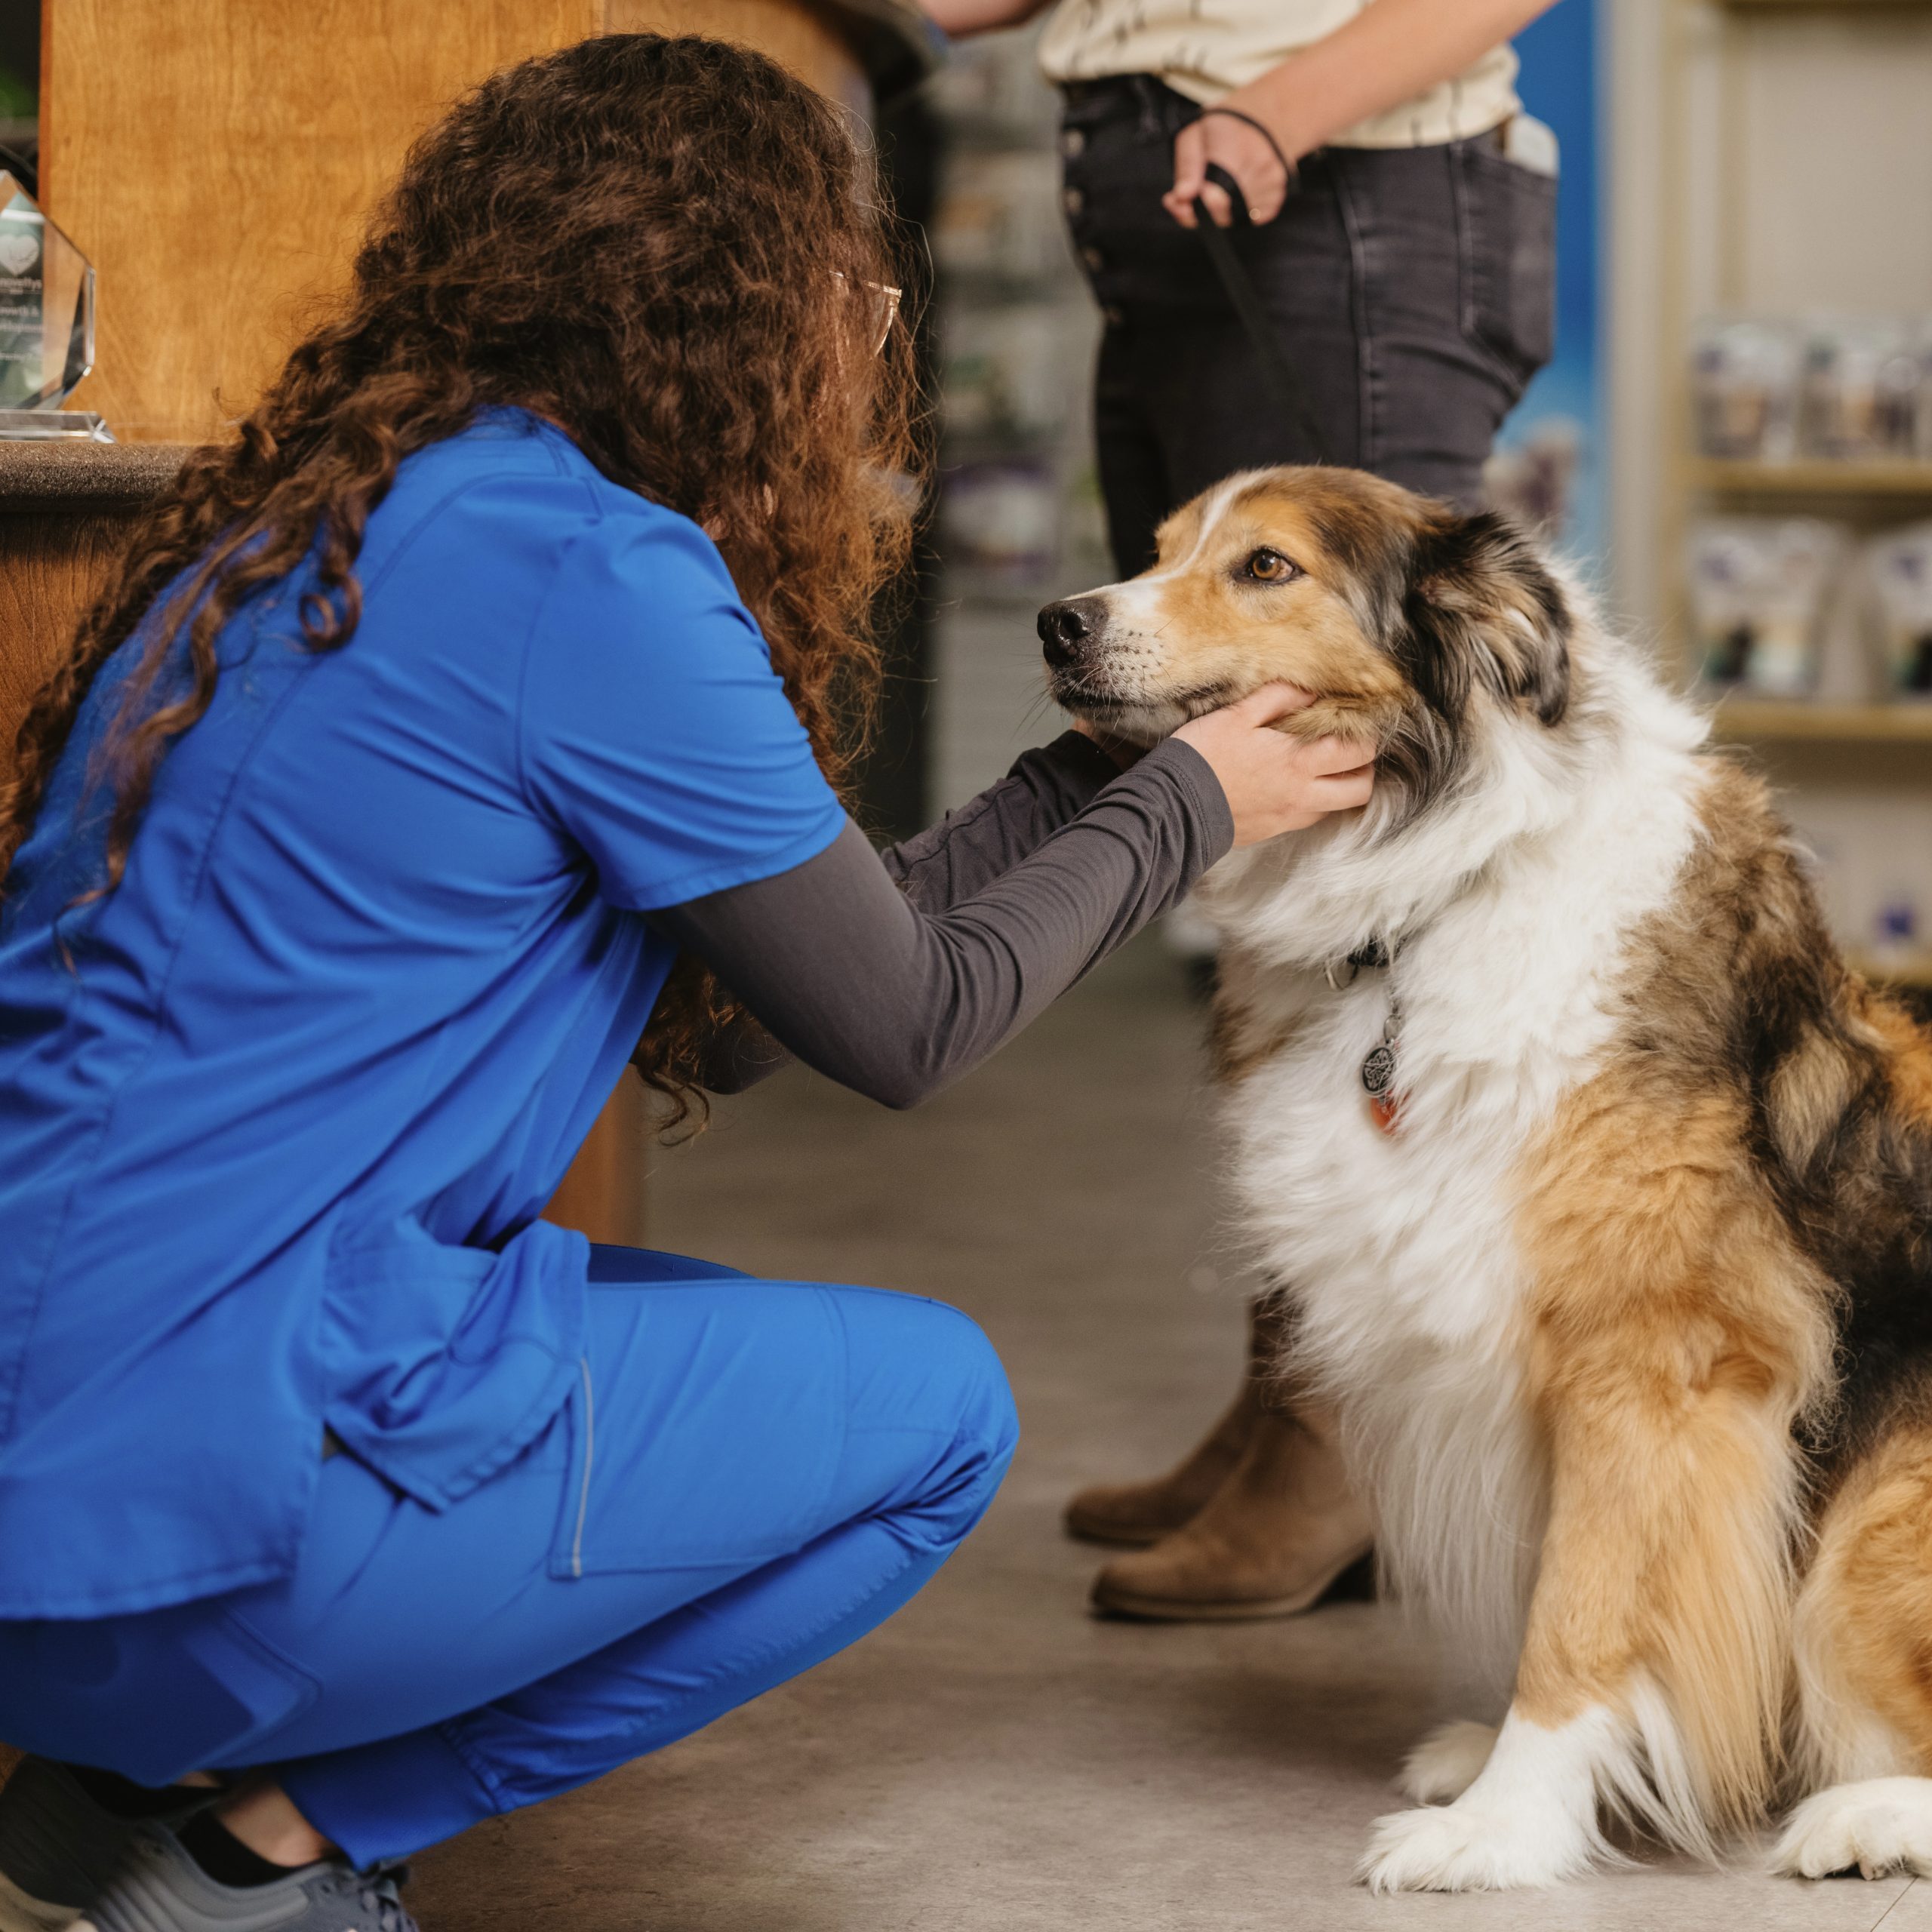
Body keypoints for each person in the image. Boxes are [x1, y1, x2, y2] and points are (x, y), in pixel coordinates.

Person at [0, 34, 1374, 1932]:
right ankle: (264, 1849)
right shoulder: (595, 574)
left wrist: (1101, 770)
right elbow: (905, 1022)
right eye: (858, 299)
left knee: (719, 1332)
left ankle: (94, 1794)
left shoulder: (333, 521)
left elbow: (798, 977)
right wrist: (1198, 806)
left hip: (59, 1453)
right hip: (196, 1511)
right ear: (761, 305)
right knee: (936, 1419)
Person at [920, 0, 1559, 1621]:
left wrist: (1283, 106)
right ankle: (1293, 1379)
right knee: (1244, 801)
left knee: (1373, 835)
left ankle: (1338, 1437)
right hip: (1175, 204)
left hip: (1335, 186)